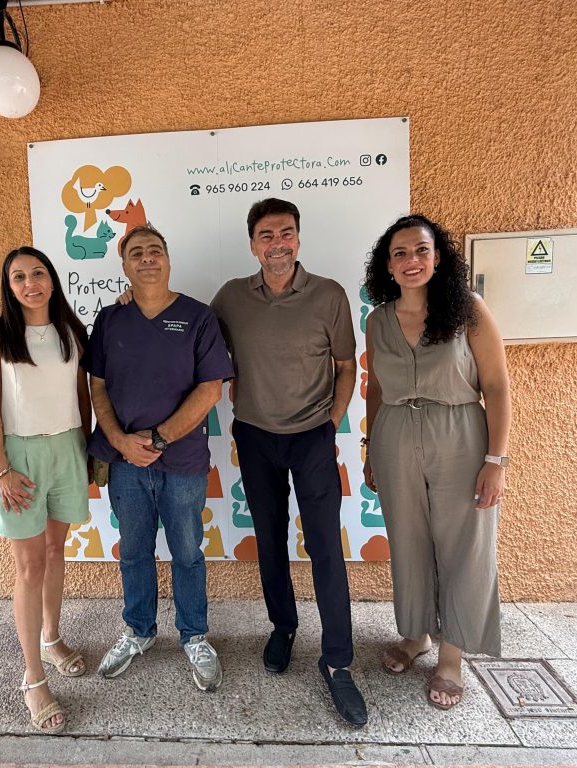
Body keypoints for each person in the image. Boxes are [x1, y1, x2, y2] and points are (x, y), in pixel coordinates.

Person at [210, 198, 366, 726]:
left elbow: (346, 365)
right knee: (270, 540)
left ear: (298, 239)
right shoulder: (232, 297)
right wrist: (129, 300)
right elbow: (193, 338)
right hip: (255, 437)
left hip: (312, 438)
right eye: (266, 235)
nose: (277, 244)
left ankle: (337, 660)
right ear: (252, 245)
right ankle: (283, 627)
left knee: (325, 547)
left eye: (285, 233)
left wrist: (332, 421)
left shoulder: (329, 295)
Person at [362, 214, 510, 710]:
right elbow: (375, 388)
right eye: (400, 253)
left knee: (464, 545)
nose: (412, 260)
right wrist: (370, 448)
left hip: (460, 435)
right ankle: (416, 634)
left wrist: (496, 460)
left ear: (438, 256)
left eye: (421, 250)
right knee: (408, 541)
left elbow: (497, 386)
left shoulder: (468, 310)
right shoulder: (377, 321)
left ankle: (452, 655)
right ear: (387, 265)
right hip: (394, 437)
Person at [88, 224, 234, 691]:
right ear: (124, 265)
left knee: (187, 552)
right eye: (136, 253)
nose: (147, 258)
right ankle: (139, 631)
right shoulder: (110, 320)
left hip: (182, 461)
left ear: (168, 260)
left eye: (155, 250)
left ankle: (194, 635)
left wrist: (158, 438)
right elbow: (97, 386)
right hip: (126, 462)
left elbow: (210, 389)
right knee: (133, 552)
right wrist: (120, 440)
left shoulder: (198, 317)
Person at [0, 246, 91, 734]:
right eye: (19, 277)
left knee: (55, 550)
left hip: (68, 446)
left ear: (52, 279)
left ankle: (52, 637)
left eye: (38, 273)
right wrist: (1, 468)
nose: (30, 284)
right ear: (9, 286)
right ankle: (33, 677)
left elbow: (82, 395)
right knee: (28, 566)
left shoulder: (71, 331)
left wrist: (89, 449)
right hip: (19, 456)